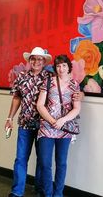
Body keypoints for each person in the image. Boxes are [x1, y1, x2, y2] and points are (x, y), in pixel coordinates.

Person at [5, 46, 52, 197]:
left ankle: (39, 190)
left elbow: (64, 92)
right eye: (33, 58)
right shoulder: (22, 76)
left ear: (44, 61)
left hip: (43, 125)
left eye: (39, 59)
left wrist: (80, 95)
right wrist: (9, 118)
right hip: (24, 124)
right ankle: (17, 192)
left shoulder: (50, 78)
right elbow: (17, 97)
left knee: (42, 160)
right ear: (29, 60)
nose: (36, 61)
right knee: (20, 159)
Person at [36, 54, 81, 197]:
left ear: (69, 67)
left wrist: (62, 120)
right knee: (44, 163)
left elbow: (76, 108)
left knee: (61, 163)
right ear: (55, 67)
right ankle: (48, 194)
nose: (61, 68)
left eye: (64, 65)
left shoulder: (74, 85)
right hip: (46, 127)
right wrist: (51, 120)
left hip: (64, 128)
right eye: (58, 66)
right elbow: (40, 105)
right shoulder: (48, 82)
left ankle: (58, 194)